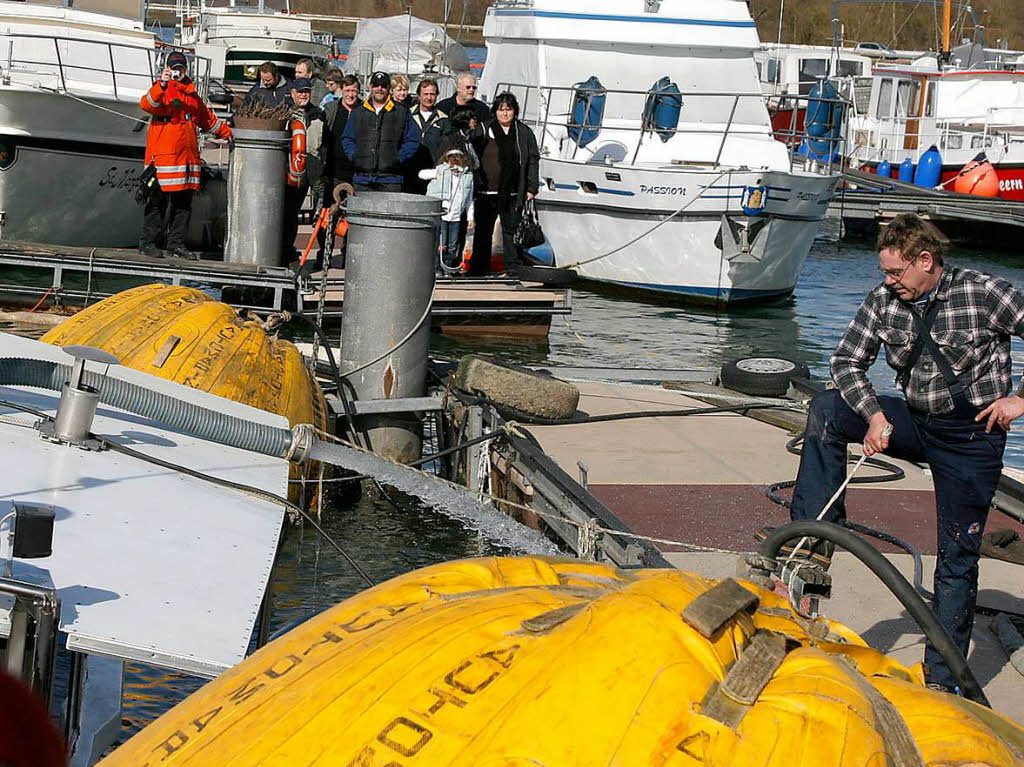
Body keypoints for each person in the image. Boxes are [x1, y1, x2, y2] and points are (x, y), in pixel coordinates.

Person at [785, 213, 1024, 695]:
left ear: (925, 260)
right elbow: (845, 362)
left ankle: (942, 681)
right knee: (827, 410)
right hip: (914, 419)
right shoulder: (883, 300)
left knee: (957, 558)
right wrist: (874, 415)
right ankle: (811, 548)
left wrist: (1019, 399)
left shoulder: (985, 293)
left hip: (971, 434)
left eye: (896, 273)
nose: (889, 283)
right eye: (884, 274)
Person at [138, 50, 231, 259]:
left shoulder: (191, 94)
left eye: (180, 67)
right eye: (173, 67)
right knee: (157, 203)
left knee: (183, 205)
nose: (177, 71)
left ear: (185, 69)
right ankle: (148, 243)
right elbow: (147, 104)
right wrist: (162, 84)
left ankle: (176, 244)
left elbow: (206, 119)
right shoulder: (161, 90)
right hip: (163, 159)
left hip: (186, 159)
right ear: (167, 69)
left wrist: (228, 133)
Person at [469, 91, 539, 277]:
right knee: (483, 232)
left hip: (513, 192)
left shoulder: (523, 132)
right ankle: (479, 269)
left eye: (508, 109)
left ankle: (513, 269)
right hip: (486, 192)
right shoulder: (485, 129)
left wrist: (531, 188)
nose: (504, 114)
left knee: (511, 231)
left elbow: (532, 160)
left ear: (515, 111)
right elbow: (470, 148)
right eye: (501, 110)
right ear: (495, 111)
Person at [341, 71, 420, 192]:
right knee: (361, 211)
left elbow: (413, 139)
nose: (379, 88)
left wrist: (398, 158)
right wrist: (355, 156)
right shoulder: (358, 112)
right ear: (370, 87)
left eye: (383, 85)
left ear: (389, 88)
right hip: (362, 179)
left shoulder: (401, 111)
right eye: (376, 85)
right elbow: (347, 138)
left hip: (391, 180)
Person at [282, 77, 326, 263]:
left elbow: (324, 143)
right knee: (289, 213)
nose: (304, 95)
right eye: (300, 92)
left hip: (314, 170)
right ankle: (285, 250)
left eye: (306, 91)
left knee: (319, 213)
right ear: (293, 94)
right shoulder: (285, 113)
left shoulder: (318, 113)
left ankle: (321, 255)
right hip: (292, 171)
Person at [425, 149, 474, 274]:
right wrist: (437, 174)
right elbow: (422, 174)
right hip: (443, 215)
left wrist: (470, 217)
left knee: (453, 245)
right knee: (441, 243)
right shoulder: (442, 173)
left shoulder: (467, 178)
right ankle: (437, 269)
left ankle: (448, 268)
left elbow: (469, 199)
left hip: (456, 216)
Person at [406, 77, 449, 193]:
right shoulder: (407, 115)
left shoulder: (443, 119)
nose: (429, 98)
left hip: (432, 171)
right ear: (419, 95)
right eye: (425, 94)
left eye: (432, 94)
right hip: (409, 169)